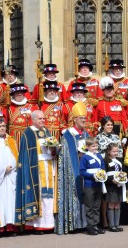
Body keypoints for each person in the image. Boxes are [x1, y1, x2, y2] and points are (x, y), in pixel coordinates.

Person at [15, 110, 57, 233]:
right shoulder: (28, 133)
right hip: (36, 168)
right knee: (39, 195)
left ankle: (48, 224)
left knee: (48, 195)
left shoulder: (46, 131)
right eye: (40, 119)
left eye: (44, 118)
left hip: (49, 166)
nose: (43, 121)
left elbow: (52, 150)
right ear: (33, 120)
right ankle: (37, 225)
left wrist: (54, 149)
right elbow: (25, 153)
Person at [55, 101, 89, 235]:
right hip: (72, 170)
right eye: (81, 118)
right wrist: (77, 154)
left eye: (85, 118)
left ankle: (84, 223)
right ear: (74, 119)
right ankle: (73, 224)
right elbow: (64, 154)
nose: (84, 120)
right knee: (74, 193)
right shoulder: (68, 135)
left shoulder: (86, 134)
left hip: (84, 169)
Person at [96, 116, 122, 229]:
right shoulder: (98, 137)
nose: (110, 126)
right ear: (103, 126)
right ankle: (105, 221)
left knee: (114, 196)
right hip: (103, 165)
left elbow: (120, 153)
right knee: (104, 195)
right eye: (108, 124)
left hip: (115, 166)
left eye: (111, 124)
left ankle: (115, 223)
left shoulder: (116, 137)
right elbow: (96, 152)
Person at [80, 137, 106, 236]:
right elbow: (82, 172)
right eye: (93, 146)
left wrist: (102, 174)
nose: (95, 147)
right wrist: (93, 175)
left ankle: (96, 224)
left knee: (96, 206)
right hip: (89, 184)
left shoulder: (99, 156)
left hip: (98, 184)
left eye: (96, 145)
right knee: (89, 206)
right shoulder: (85, 157)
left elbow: (102, 167)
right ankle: (90, 226)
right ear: (87, 147)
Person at [104, 143, 125, 232]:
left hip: (119, 185)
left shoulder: (119, 160)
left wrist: (123, 178)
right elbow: (104, 174)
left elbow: (121, 172)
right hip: (111, 185)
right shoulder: (105, 161)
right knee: (111, 204)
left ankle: (117, 224)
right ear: (109, 152)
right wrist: (111, 180)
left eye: (117, 151)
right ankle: (111, 225)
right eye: (114, 151)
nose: (116, 153)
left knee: (118, 204)